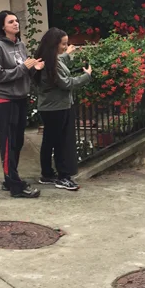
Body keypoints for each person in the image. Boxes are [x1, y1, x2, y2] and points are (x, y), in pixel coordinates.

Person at [0, 10, 44, 198]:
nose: (15, 24)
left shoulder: (21, 45)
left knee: (17, 142)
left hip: (20, 99)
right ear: (2, 26)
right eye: (11, 21)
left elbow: (24, 72)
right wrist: (23, 68)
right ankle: (15, 185)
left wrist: (34, 68)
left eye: (16, 20)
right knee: (8, 143)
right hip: (4, 101)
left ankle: (9, 178)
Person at [34, 28, 92, 191]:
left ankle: (47, 174)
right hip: (56, 108)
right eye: (63, 44)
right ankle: (63, 177)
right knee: (60, 143)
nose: (65, 47)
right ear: (54, 44)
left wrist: (66, 54)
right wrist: (86, 76)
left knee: (49, 141)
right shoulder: (51, 63)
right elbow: (66, 83)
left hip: (50, 107)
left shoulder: (47, 59)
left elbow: (59, 61)